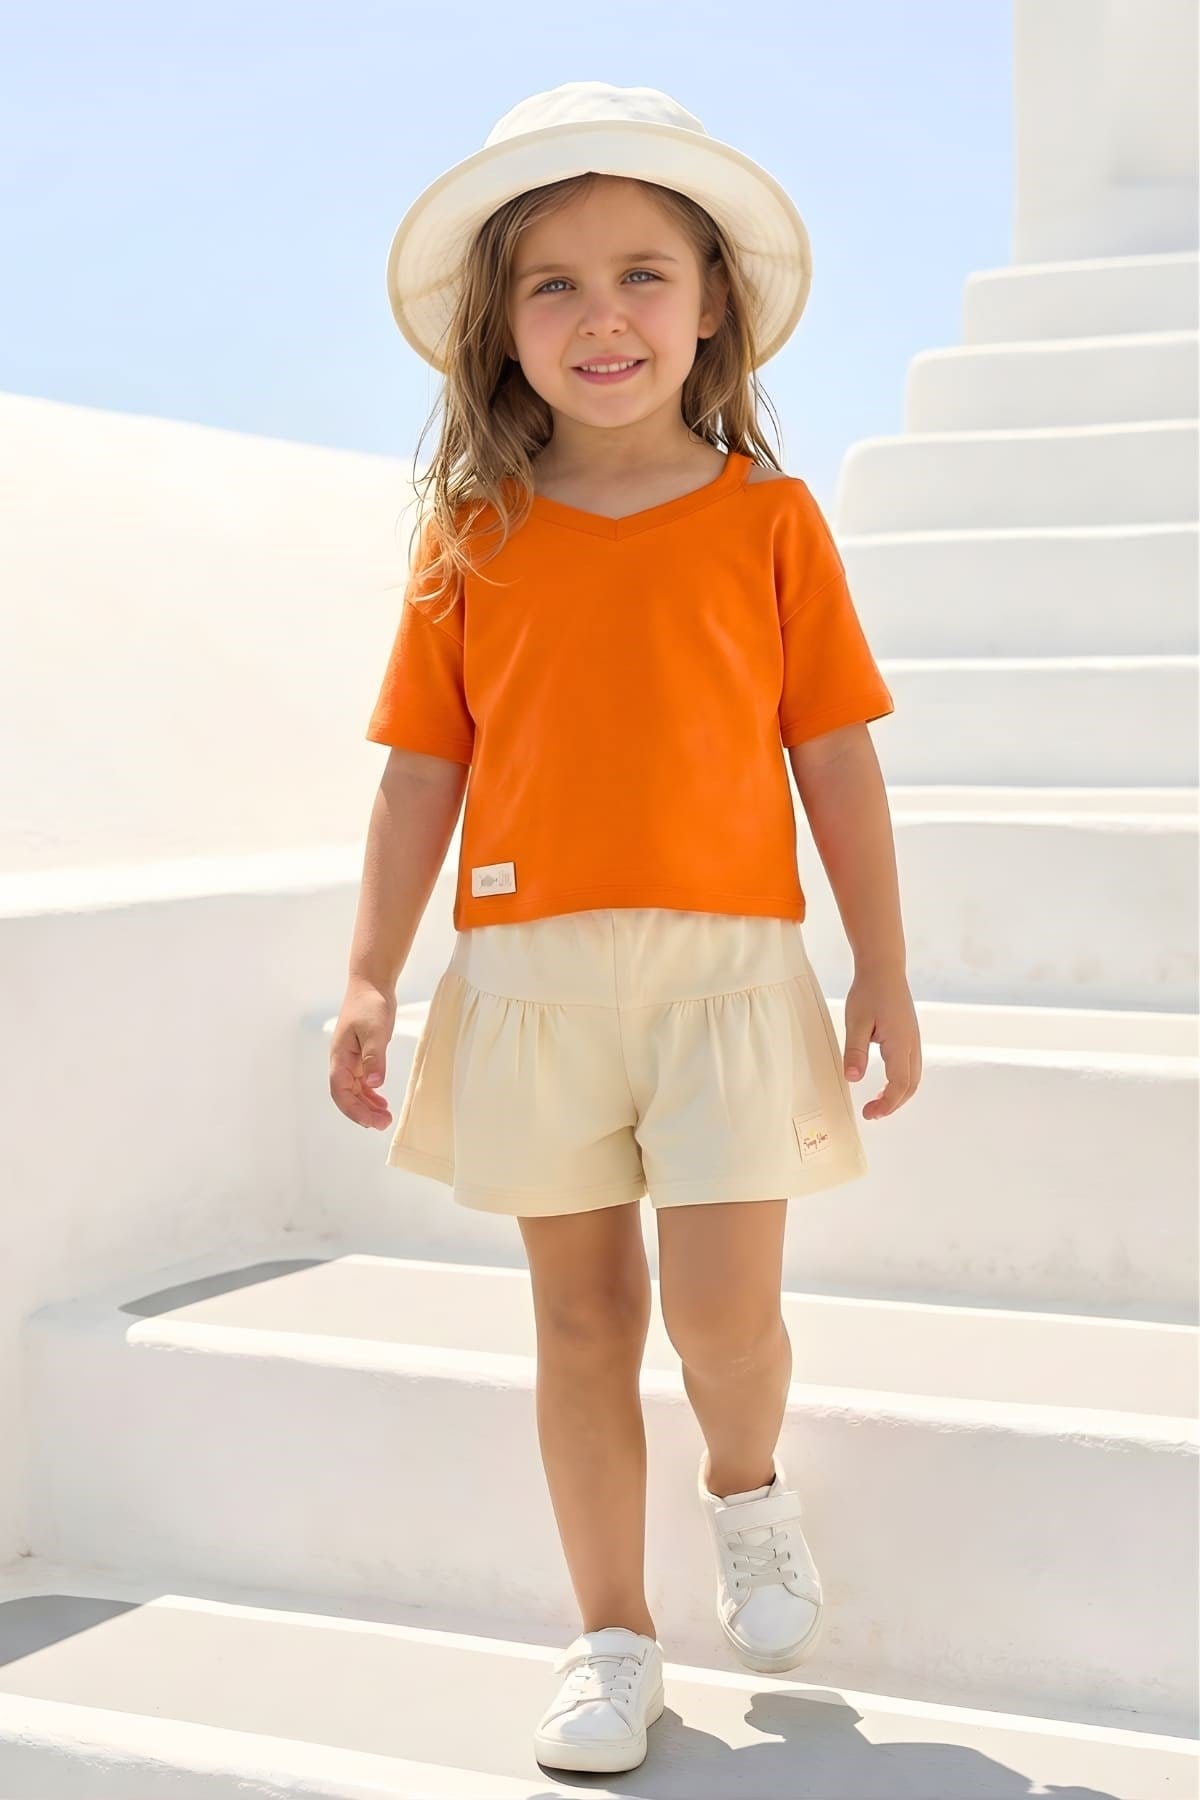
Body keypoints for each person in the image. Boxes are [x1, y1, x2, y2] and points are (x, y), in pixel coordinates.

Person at [330, 81, 922, 1777]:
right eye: (556, 285)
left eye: (643, 274)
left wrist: (882, 970)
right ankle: (610, 1638)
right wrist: (370, 974)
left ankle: (747, 1489)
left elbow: (836, 760)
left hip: (729, 973)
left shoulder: (770, 521)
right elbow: (420, 776)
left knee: (723, 1319)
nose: (603, 318)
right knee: (581, 1322)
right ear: (501, 327)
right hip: (529, 982)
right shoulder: (471, 537)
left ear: (712, 302)